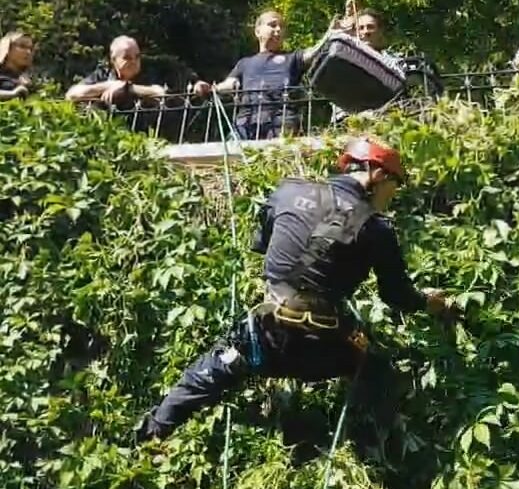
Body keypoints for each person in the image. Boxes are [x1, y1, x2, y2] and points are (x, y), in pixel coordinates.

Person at [135, 137, 458, 442]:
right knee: (377, 372)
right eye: (394, 185)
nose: (393, 195)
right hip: (323, 348)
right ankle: (375, 448)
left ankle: (152, 436)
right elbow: (397, 296)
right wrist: (436, 305)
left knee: (205, 374)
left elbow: (262, 246)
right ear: (377, 173)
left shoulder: (287, 191)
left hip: (265, 336)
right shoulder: (376, 227)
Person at [193, 10, 332, 140]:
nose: (278, 30)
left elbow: (315, 52)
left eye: (281, 27)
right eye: (272, 25)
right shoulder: (245, 63)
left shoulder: (292, 58)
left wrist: (333, 32)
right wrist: (210, 89)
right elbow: (230, 84)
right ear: (257, 31)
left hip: (282, 122)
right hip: (246, 124)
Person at [65, 35, 165, 108]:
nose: (134, 61)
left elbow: (161, 92)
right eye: (127, 57)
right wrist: (108, 86)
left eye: (137, 57)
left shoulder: (147, 73)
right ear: (114, 60)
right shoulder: (103, 75)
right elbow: (72, 94)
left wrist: (127, 88)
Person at [0, 31, 34, 102]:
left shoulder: (27, 82)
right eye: (22, 46)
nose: (28, 52)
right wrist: (12, 94)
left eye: (30, 48)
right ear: (7, 48)